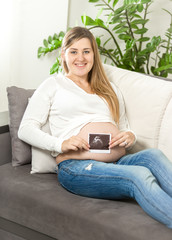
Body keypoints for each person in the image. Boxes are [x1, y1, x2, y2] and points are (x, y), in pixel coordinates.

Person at [18, 26, 172, 228]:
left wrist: (129, 137)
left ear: (94, 55)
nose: (80, 58)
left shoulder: (109, 89)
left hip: (118, 161)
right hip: (76, 166)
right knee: (139, 176)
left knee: (154, 156)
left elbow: (124, 127)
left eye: (86, 51)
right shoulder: (54, 85)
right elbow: (26, 128)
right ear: (63, 55)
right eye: (73, 51)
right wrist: (60, 143)